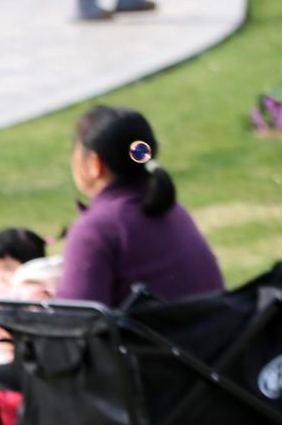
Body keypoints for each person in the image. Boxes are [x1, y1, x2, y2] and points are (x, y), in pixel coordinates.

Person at [57, 105, 223, 307]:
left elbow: (75, 326)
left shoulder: (96, 231)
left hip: (160, 337)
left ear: (94, 163)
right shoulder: (173, 210)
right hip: (205, 336)